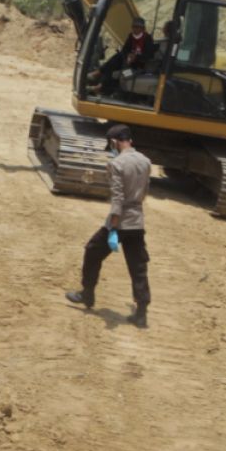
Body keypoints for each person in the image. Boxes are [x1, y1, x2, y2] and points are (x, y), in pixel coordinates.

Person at [65, 125, 152, 328]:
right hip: (137, 220)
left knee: (93, 250)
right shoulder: (146, 161)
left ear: (114, 142)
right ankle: (141, 313)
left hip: (120, 221)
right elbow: (145, 191)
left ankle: (87, 294)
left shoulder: (116, 164)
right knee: (138, 266)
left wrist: (113, 228)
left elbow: (118, 198)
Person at [89, 17, 155, 95]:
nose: (135, 29)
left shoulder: (147, 39)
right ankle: (99, 81)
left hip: (138, 67)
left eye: (137, 27)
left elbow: (148, 56)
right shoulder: (131, 36)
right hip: (128, 62)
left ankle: (100, 83)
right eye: (133, 27)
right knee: (114, 62)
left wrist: (136, 57)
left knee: (122, 73)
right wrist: (128, 55)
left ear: (142, 28)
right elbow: (125, 50)